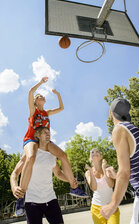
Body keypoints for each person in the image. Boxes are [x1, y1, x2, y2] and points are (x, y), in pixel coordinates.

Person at [16, 77, 88, 216]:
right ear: (36, 102)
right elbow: (31, 91)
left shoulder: (46, 113)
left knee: (63, 155)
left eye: (42, 95)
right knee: (30, 157)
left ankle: (74, 187)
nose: (41, 96)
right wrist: (41, 83)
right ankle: (21, 197)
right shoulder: (33, 111)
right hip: (31, 139)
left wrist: (58, 94)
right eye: (39, 96)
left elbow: (61, 108)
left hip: (45, 141)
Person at [100, 98, 139, 224]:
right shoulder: (132, 129)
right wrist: (117, 175)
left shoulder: (119, 129)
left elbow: (125, 172)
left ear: (111, 113)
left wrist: (112, 205)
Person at [11, 126, 77, 224]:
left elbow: (58, 173)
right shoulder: (29, 154)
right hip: (32, 201)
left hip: (50, 199)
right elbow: (14, 173)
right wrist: (14, 187)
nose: (48, 134)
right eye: (44, 132)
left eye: (49, 132)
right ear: (37, 135)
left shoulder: (52, 155)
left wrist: (70, 180)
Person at [85, 148, 120, 224]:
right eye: (92, 152)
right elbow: (94, 188)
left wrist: (104, 169)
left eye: (97, 151)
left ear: (101, 156)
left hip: (111, 207)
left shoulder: (108, 168)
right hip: (96, 208)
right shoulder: (88, 172)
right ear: (90, 158)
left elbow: (111, 185)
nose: (95, 153)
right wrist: (91, 171)